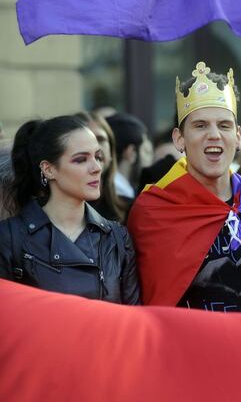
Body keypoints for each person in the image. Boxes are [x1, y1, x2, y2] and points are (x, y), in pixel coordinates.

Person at [128, 61, 241, 321]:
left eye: (224, 125)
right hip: (183, 356)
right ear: (179, 139)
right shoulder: (153, 212)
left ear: (238, 136)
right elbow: (144, 309)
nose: (214, 135)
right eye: (200, 125)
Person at [0, 115, 139, 304]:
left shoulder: (116, 238)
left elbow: (133, 317)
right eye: (81, 159)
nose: (97, 167)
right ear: (48, 169)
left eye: (98, 157)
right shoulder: (10, 237)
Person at [75, 111, 126, 222]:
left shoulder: (130, 208)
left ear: (111, 151)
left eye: (101, 139)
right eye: (87, 140)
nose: (95, 147)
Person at [106, 112, 153, 207]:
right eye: (146, 152)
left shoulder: (102, 191)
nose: (151, 160)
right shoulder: (122, 201)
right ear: (130, 152)